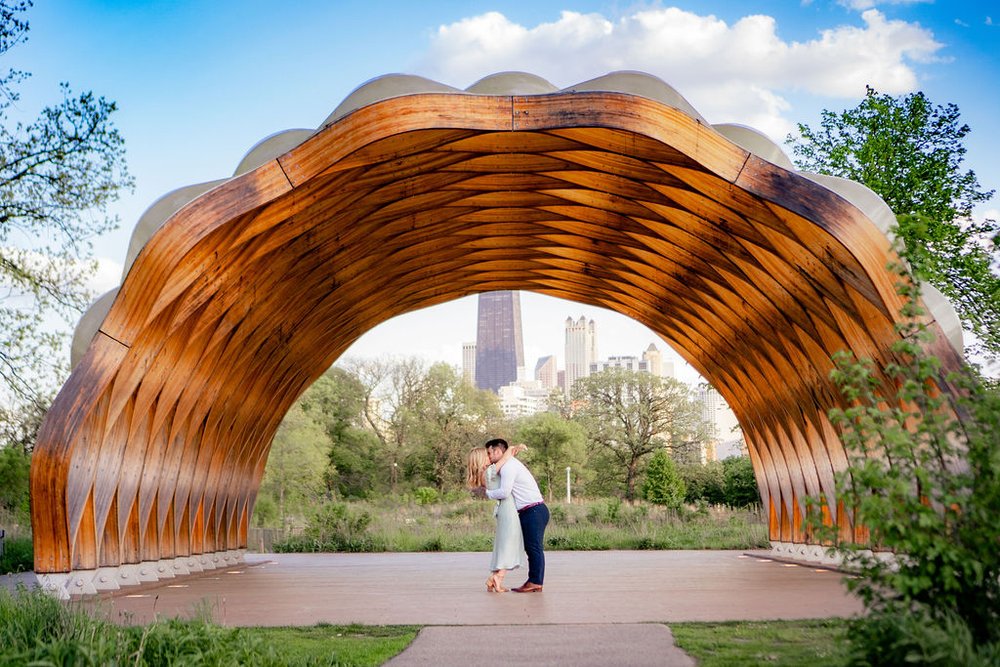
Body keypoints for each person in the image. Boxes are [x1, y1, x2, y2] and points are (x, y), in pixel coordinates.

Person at [474, 437, 549, 593]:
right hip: (529, 510)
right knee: (529, 547)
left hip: (533, 510)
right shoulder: (507, 464)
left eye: (490, 453)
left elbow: (505, 492)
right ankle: (502, 578)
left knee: (533, 548)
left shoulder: (508, 467)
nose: (489, 457)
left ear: (497, 451)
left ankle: (535, 581)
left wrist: (487, 494)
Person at [466, 444, 526, 592]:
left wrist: (512, 453)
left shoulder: (485, 473)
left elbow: (506, 460)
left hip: (504, 509)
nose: (490, 455)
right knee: (510, 544)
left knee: (506, 544)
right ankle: (497, 579)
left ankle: (494, 578)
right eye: (487, 454)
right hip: (508, 510)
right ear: (481, 459)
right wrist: (514, 447)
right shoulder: (490, 471)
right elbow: (506, 456)